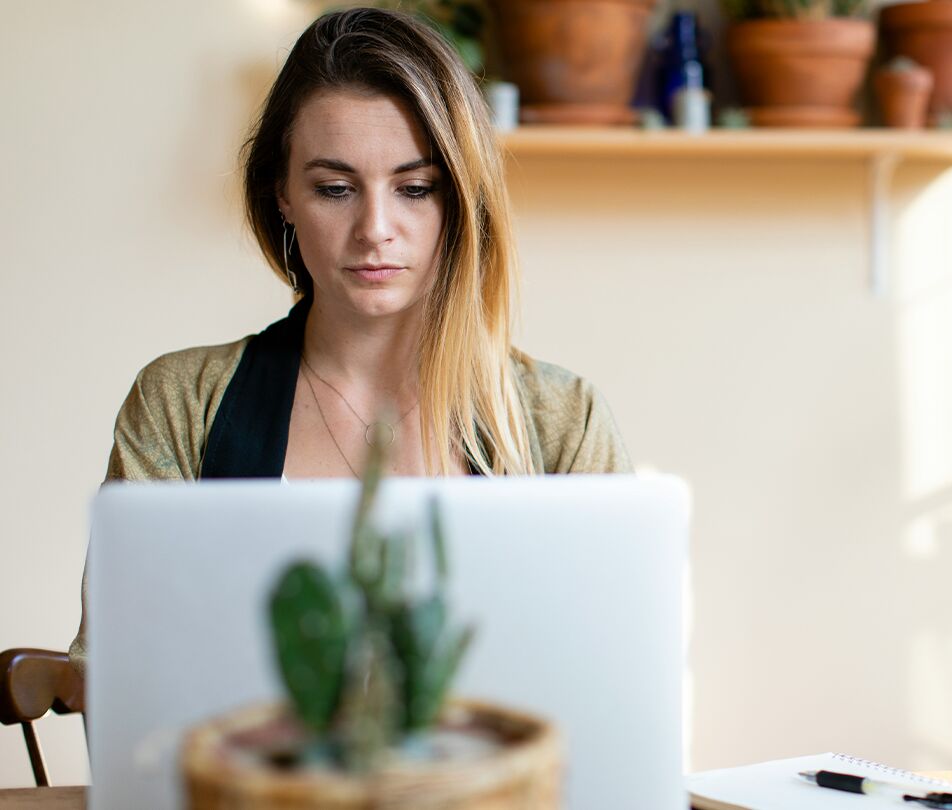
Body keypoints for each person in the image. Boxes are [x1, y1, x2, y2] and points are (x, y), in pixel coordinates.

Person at [69, 8, 631, 671]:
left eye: (416, 189)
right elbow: (115, 672)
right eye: (334, 189)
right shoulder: (183, 404)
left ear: (465, 198)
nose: (375, 228)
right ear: (281, 194)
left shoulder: (562, 421)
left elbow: (616, 669)